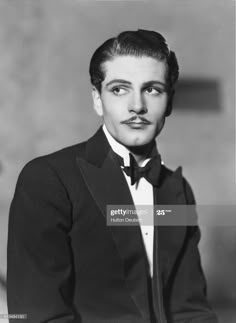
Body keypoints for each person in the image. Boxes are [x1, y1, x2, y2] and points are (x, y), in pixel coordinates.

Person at [7, 29, 218, 323]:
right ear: (97, 99)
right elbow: (36, 316)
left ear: (169, 101)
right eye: (119, 89)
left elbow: (191, 310)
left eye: (153, 89)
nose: (137, 106)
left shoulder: (177, 190)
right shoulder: (48, 180)